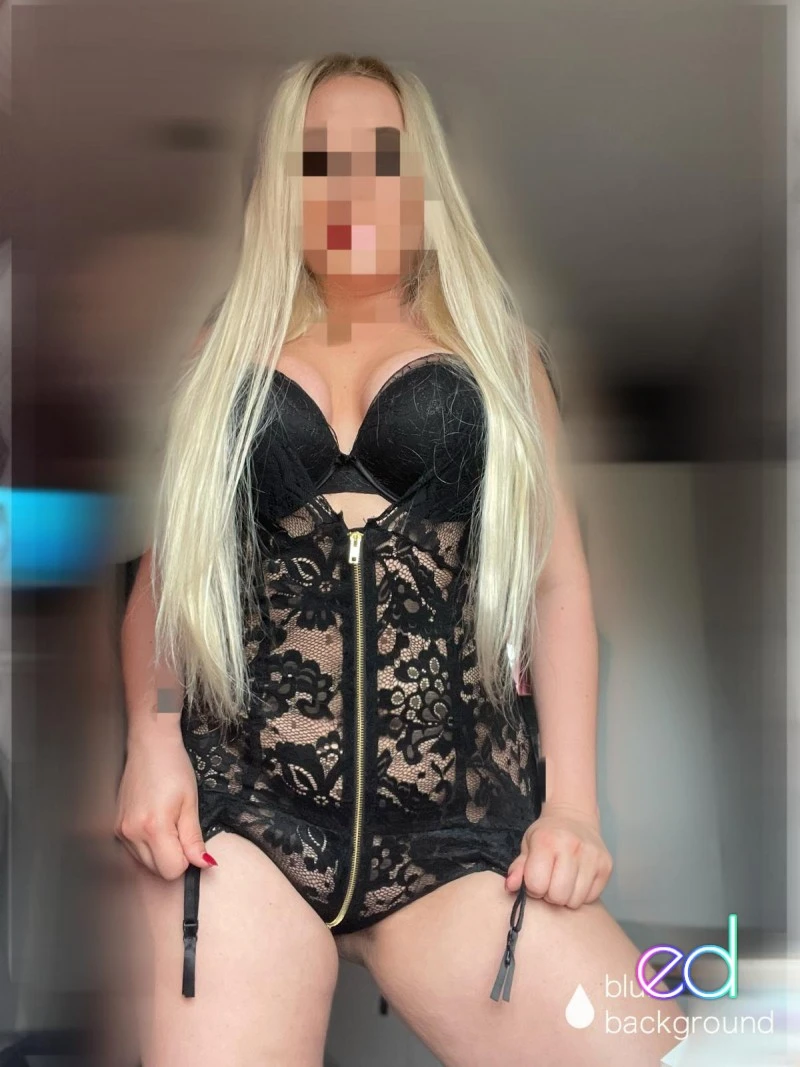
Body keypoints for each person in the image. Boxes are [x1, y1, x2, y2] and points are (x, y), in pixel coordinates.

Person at [116, 53, 686, 1067]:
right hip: (247, 821)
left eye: (380, 158)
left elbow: (556, 585)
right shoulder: (222, 353)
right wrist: (153, 742)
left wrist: (573, 805)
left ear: (421, 181)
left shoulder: (496, 351)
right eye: (317, 161)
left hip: (455, 834)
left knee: (657, 1049)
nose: (350, 190)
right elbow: (170, 588)